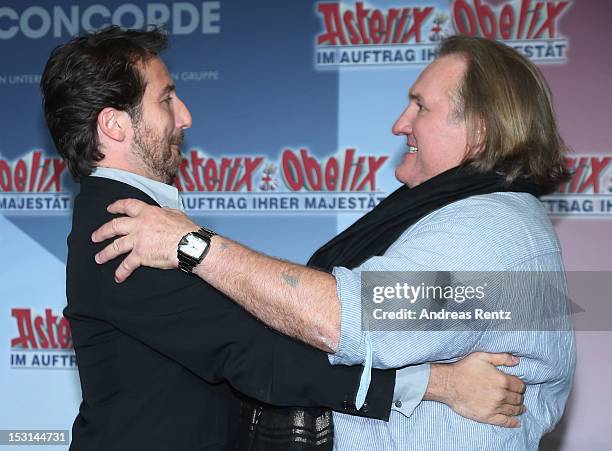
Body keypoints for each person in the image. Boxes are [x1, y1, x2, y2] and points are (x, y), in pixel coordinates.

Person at [41, 27, 527, 451]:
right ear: (114, 123)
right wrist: (440, 383)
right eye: (166, 99)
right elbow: (264, 359)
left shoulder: (148, 223)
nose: (185, 116)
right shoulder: (123, 230)